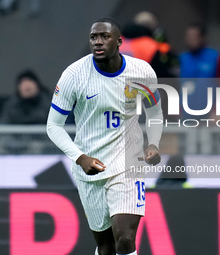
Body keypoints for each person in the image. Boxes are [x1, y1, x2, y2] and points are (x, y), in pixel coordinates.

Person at [47, 17, 163, 255]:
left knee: (125, 239)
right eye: (93, 37)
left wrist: (153, 143)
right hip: (91, 169)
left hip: (128, 163)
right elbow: (53, 126)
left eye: (104, 37)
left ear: (119, 41)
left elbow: (155, 113)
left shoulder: (141, 71)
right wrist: (80, 158)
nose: (98, 42)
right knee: (107, 247)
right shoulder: (74, 75)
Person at [0, 69, 51, 154]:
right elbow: (3, 127)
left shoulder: (48, 104)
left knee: (36, 148)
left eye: (30, 81)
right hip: (12, 145)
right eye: (22, 83)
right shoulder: (12, 105)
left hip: (37, 145)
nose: (26, 86)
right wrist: (13, 144)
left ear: (37, 85)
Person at [180, 22, 220, 120]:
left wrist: (217, 109)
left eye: (194, 37)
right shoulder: (181, 59)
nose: (190, 40)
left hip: (210, 114)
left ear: (202, 38)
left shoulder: (216, 57)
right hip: (185, 114)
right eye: (188, 37)